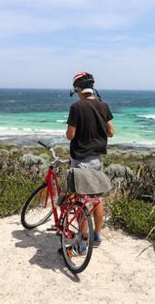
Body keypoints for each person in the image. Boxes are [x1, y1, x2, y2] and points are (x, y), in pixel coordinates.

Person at [66, 71, 114, 251]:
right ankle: (97, 235)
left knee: (81, 200)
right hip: (97, 160)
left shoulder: (76, 107)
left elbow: (70, 135)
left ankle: (82, 241)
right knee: (97, 198)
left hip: (80, 160)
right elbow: (110, 132)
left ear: (77, 88)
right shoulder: (104, 105)